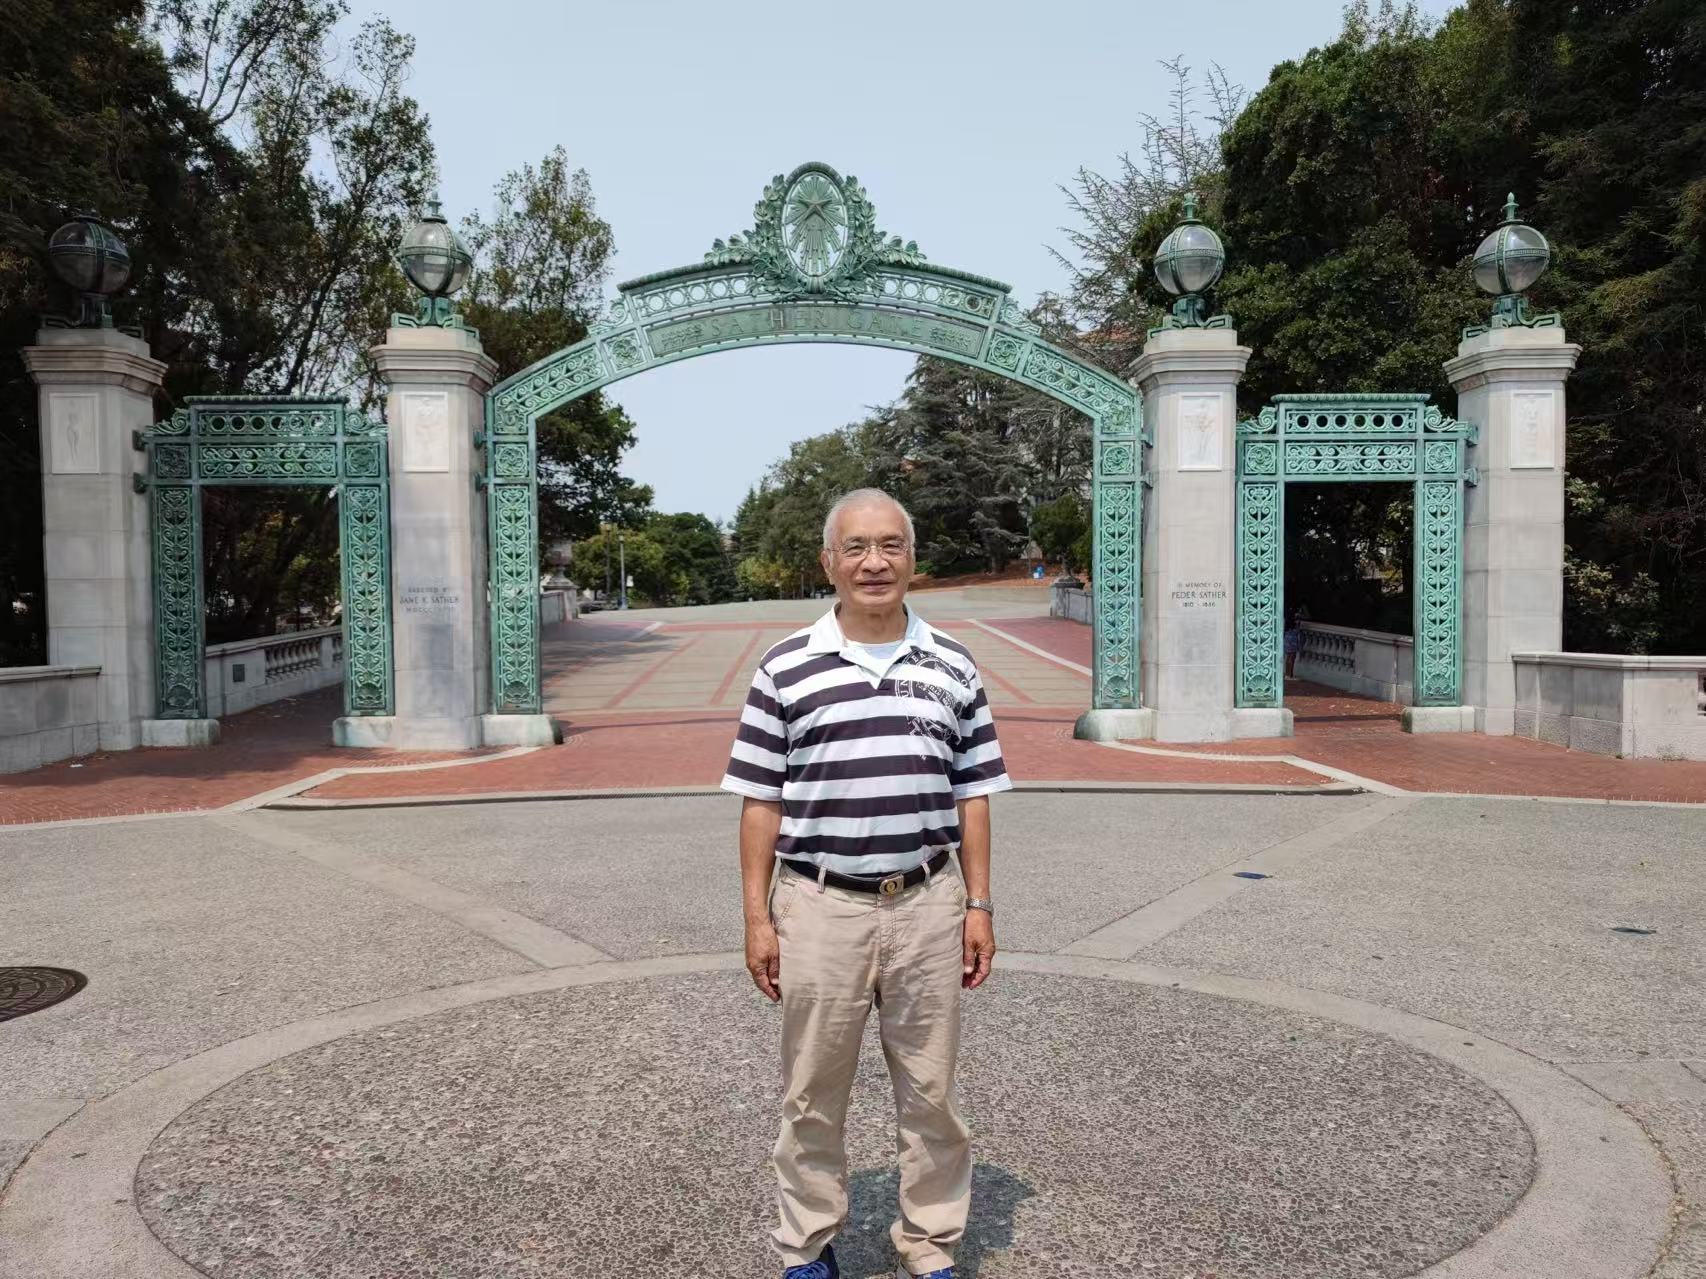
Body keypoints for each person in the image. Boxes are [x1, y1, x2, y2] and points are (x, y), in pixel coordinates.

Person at [722, 489, 1010, 1279]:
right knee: (812, 1092)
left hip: (927, 901)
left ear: (913, 559)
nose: (873, 562)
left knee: (931, 1091)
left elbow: (973, 793)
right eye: (856, 547)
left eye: (890, 545)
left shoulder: (953, 663)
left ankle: (930, 1241)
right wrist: (757, 917)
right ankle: (807, 1244)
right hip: (820, 904)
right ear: (829, 562)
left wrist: (979, 904)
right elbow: (760, 801)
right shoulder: (785, 666)